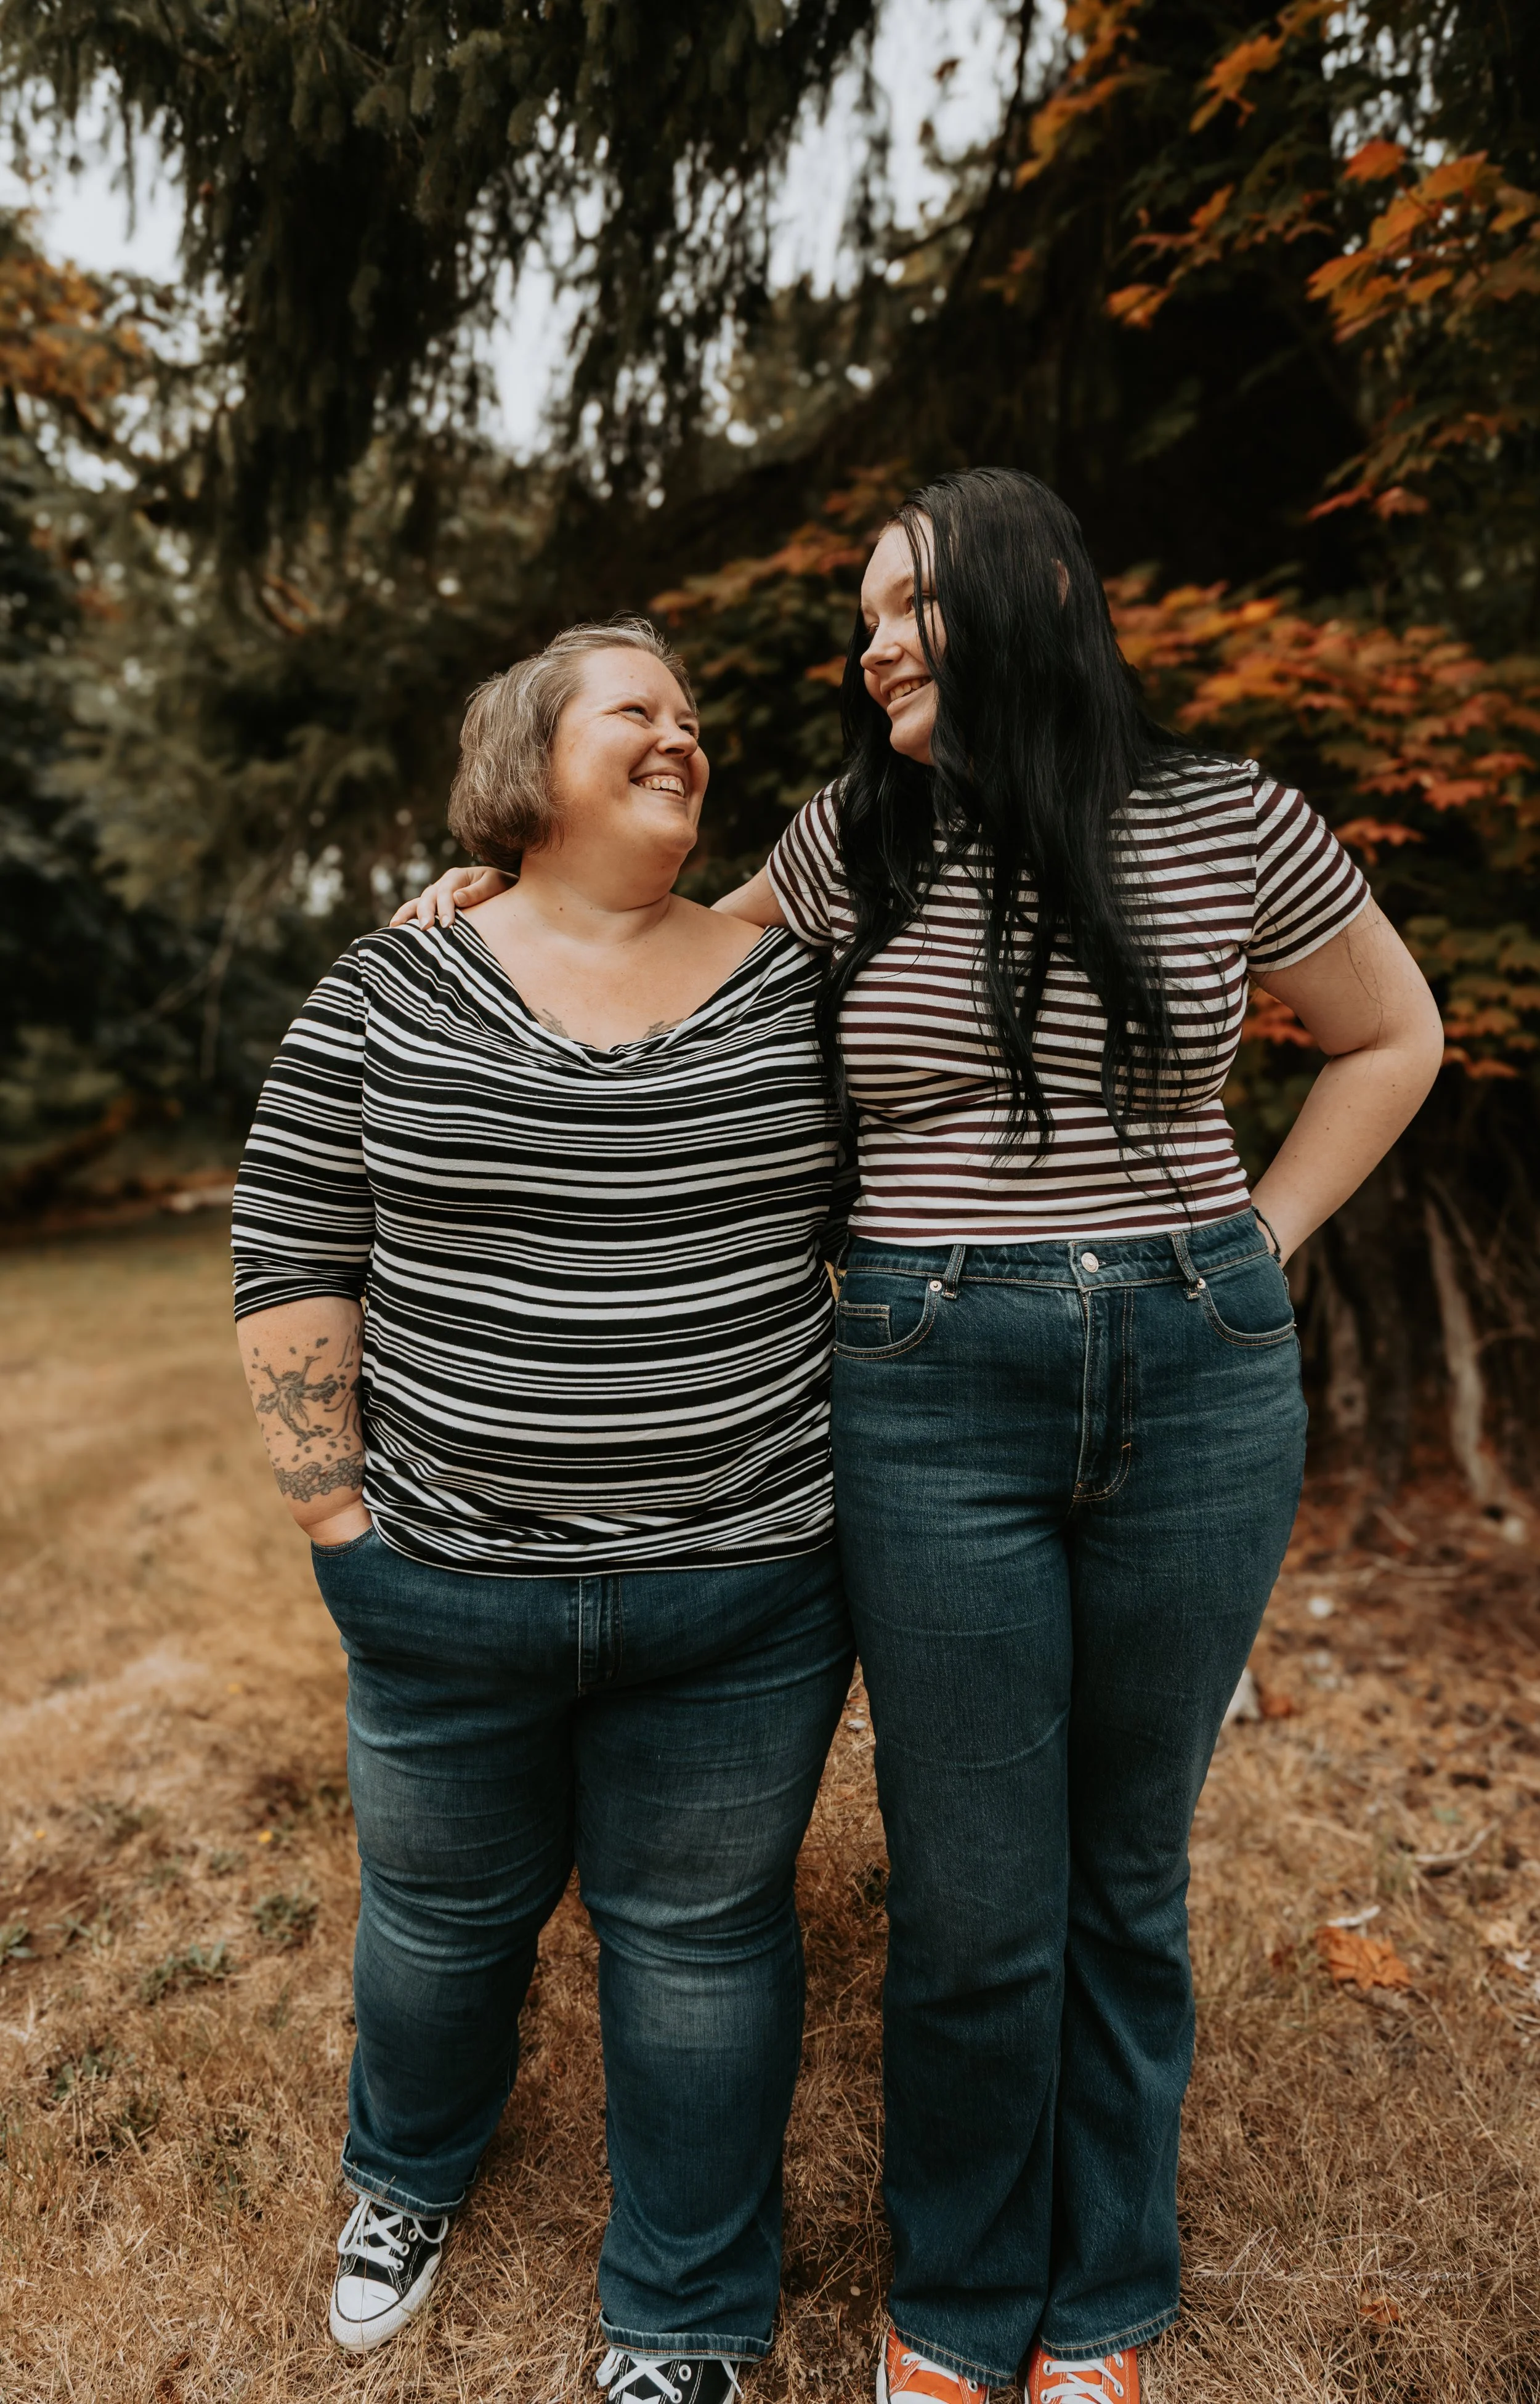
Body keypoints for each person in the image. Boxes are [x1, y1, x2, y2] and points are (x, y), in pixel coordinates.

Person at [408, 471, 1444, 2404]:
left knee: (1122, 1876)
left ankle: (1104, 2301)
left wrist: (1259, 1240)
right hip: (924, 1379)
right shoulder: (847, 842)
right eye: (863, 610)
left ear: (1030, 590)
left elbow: (1392, 1034)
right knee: (974, 1896)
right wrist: (503, 890)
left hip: (1195, 1369)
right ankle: (958, 2307)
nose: (870, 637)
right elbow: (657, 968)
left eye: (905, 601)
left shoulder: (1228, 817)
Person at [232, 619, 854, 2400]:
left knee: (701, 1946)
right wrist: (335, 1521)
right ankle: (406, 2178)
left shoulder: (789, 985)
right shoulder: (387, 982)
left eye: (693, 716)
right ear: (525, 756)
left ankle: (682, 2308)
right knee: (438, 1928)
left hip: (741, 1593)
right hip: (439, 1583)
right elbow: (292, 1240)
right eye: (634, 710)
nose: (683, 734)